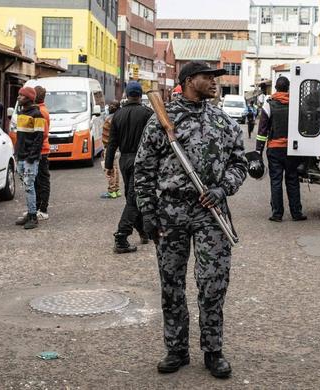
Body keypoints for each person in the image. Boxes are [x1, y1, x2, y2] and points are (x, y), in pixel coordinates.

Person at [134, 61, 248, 378]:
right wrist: (146, 211)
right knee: (171, 285)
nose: (214, 82)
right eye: (207, 77)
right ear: (188, 81)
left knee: (213, 285)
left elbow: (239, 164)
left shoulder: (224, 121)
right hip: (170, 211)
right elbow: (143, 170)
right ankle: (176, 350)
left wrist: (222, 189)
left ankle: (213, 351)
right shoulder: (162, 120)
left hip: (211, 213)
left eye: (216, 78)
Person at [104, 81, 153, 253]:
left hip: (124, 160)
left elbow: (112, 143)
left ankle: (143, 231)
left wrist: (109, 165)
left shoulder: (117, 115)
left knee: (132, 196)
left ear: (126, 94)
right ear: (140, 95)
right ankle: (122, 236)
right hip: (142, 161)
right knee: (134, 198)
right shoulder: (148, 114)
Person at [256, 76, 307, 222]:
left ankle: (277, 214)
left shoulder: (268, 105)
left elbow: (262, 131)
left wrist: (258, 152)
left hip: (275, 149)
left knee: (276, 181)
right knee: (292, 180)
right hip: (292, 149)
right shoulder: (296, 105)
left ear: (276, 88)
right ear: (288, 88)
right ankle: (296, 213)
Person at [14, 86, 45, 229]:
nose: (18, 98)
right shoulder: (21, 113)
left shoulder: (37, 114)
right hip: (20, 157)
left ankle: (33, 216)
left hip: (29, 159)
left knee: (29, 186)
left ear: (28, 98)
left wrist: (31, 157)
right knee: (26, 186)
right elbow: (20, 137)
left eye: (21, 96)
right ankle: (30, 212)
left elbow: (39, 138)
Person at [33, 86, 50, 220]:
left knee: (42, 181)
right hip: (40, 150)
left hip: (41, 151)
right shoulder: (40, 110)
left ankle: (43, 209)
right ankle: (37, 207)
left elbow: (42, 134)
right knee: (37, 181)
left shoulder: (41, 112)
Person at [100, 100, 122, 199]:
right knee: (116, 169)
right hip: (117, 149)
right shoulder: (120, 117)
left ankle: (111, 190)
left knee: (109, 169)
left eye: (111, 105)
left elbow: (106, 136)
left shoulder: (109, 119)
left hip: (110, 148)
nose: (109, 107)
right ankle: (117, 189)